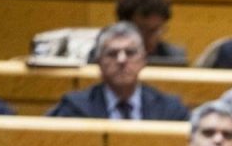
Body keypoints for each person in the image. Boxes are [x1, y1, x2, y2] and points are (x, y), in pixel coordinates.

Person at [46, 23, 189, 121]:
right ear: (99, 62)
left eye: (130, 53)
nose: (121, 60)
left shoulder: (169, 109)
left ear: (143, 60)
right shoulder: (74, 108)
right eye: (112, 53)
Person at [115, 0, 187, 66]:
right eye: (142, 30)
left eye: (155, 30)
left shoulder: (174, 57)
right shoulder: (108, 55)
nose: (150, 39)